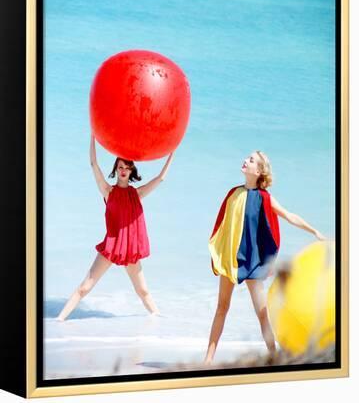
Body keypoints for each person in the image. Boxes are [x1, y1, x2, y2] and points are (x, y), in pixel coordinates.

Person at [204, 150, 325, 364]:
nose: (245, 160)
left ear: (259, 171)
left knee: (261, 312)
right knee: (222, 308)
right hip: (232, 261)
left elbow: (289, 216)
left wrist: (314, 231)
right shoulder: (233, 193)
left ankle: (273, 355)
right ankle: (208, 360)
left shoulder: (264, 197)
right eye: (247, 158)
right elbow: (224, 226)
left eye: (251, 160)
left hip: (252, 261)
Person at [56, 134, 174, 321]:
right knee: (84, 287)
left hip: (130, 250)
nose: (124, 169)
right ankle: (59, 320)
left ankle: (159, 321)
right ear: (116, 170)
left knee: (143, 291)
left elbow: (160, 179)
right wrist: (93, 136)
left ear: (131, 170)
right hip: (112, 247)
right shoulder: (108, 191)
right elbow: (94, 165)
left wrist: (171, 151)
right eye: (120, 167)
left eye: (127, 167)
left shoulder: (137, 193)